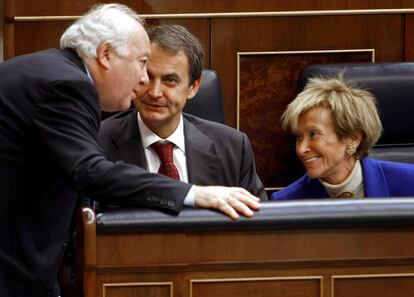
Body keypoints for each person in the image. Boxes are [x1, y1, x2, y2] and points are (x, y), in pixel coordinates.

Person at [0, 4, 260, 297]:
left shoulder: (53, 72)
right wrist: (194, 193)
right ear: (106, 54)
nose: (145, 83)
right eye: (142, 63)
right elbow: (88, 172)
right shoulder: (68, 85)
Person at [98, 25, 267, 202]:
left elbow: (259, 224)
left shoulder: (232, 148)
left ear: (193, 87)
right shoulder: (96, 142)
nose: (155, 93)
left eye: (170, 80)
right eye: (148, 76)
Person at [271, 76, 414, 200]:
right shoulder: (287, 200)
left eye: (313, 134)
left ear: (353, 138)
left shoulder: (409, 181)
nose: (301, 149)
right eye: (299, 137)